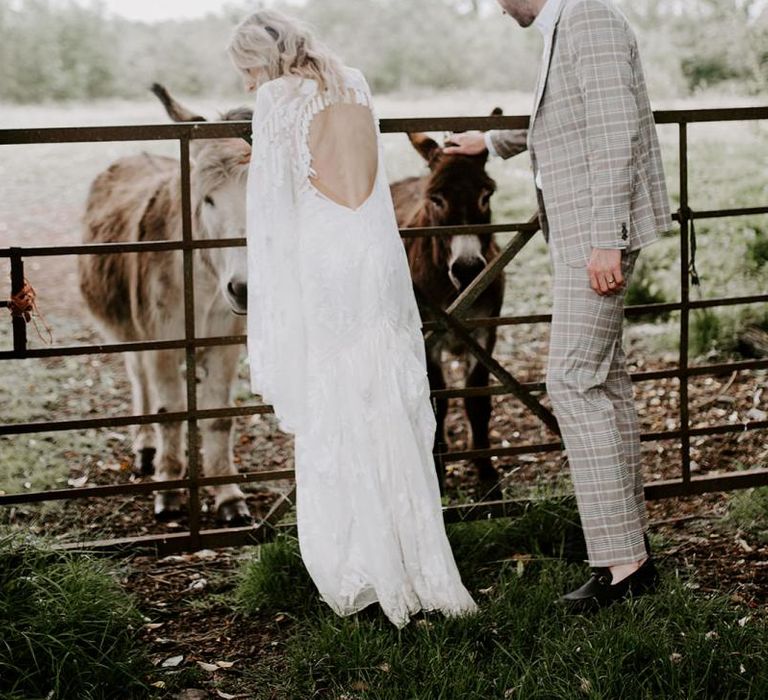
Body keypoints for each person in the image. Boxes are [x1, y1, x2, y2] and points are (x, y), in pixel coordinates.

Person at [227, 10, 477, 628]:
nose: (245, 85)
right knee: (384, 401)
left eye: (247, 71)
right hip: (373, 256)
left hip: (323, 261)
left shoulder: (279, 99)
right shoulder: (355, 82)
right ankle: (414, 558)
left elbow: (273, 210)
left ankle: (361, 571)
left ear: (267, 61)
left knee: (338, 407)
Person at [446, 0, 672, 609]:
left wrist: (608, 239)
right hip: (583, 234)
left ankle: (621, 564)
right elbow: (568, 116)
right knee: (606, 381)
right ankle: (632, 551)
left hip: (596, 237)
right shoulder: (569, 23)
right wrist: (491, 141)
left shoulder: (591, 18)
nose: (495, 4)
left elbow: (616, 129)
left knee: (571, 380)